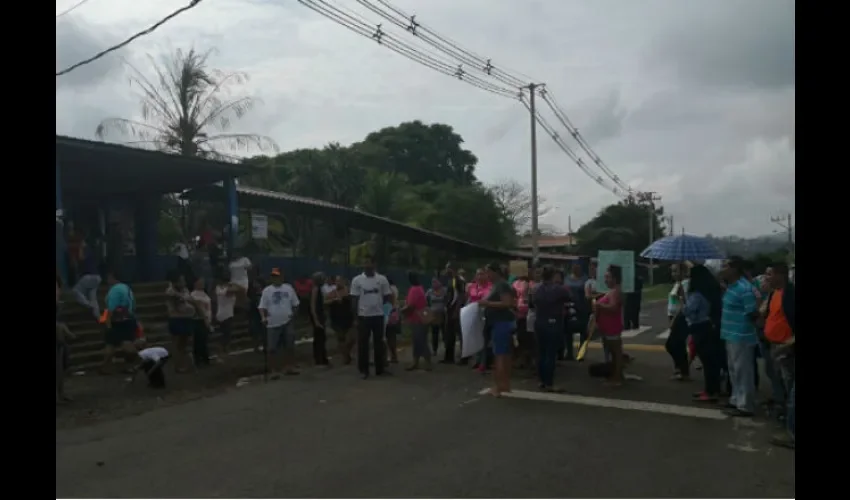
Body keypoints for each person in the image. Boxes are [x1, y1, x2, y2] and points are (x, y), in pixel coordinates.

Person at [720, 256, 760, 417]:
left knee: (743, 372)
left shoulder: (744, 288)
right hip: (730, 334)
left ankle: (746, 405)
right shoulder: (731, 287)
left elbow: (752, 312)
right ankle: (736, 400)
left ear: (734, 269)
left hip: (742, 336)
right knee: (734, 371)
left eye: (725, 266)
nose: (722, 269)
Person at [684, 265, 725, 403]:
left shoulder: (697, 294)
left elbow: (689, 311)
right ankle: (712, 389)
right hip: (710, 326)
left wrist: (684, 301)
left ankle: (711, 391)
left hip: (699, 327)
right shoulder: (712, 291)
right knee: (712, 361)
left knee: (707, 362)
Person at [350, 256, 393, 379]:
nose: (366, 265)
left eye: (368, 263)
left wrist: (386, 313)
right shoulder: (357, 280)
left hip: (378, 315)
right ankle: (364, 370)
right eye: (365, 263)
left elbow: (387, 297)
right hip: (363, 316)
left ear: (374, 264)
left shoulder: (382, 279)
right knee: (363, 344)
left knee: (379, 343)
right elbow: (354, 299)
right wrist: (355, 318)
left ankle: (380, 369)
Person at [763, 262, 795, 421]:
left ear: (780, 275)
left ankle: (789, 416)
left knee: (789, 381)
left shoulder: (790, 295)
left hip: (786, 348)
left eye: (770, 274)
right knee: (775, 377)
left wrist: (787, 345)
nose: (767, 278)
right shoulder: (774, 293)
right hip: (773, 344)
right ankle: (781, 407)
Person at [478, 263, 517, 396]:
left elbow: (507, 303)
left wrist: (487, 303)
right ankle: (504, 384)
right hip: (499, 323)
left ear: (496, 272)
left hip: (501, 323)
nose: (487, 275)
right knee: (504, 354)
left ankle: (498, 386)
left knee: (499, 355)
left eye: (488, 272)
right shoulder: (497, 285)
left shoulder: (501, 285)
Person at [533, 266, 572, 392]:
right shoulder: (560, 289)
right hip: (554, 322)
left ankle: (541, 381)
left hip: (539, 321)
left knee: (541, 353)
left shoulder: (535, 288)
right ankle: (549, 382)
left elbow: (530, 303)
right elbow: (570, 298)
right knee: (550, 354)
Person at [259, 268, 300, 378]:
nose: (275, 278)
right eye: (273, 276)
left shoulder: (288, 288)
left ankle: (289, 367)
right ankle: (273, 370)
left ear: (282, 277)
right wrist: (263, 317)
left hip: (287, 321)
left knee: (289, 345)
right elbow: (262, 306)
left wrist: (293, 315)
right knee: (272, 348)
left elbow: (296, 303)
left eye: (277, 276)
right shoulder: (267, 291)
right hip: (272, 322)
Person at [101, 271, 139, 374]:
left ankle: (105, 367)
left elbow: (110, 309)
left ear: (114, 278)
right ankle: (128, 366)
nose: (107, 280)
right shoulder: (126, 288)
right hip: (128, 319)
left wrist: (107, 323)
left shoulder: (115, 290)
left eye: (109, 278)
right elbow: (133, 305)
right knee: (120, 344)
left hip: (117, 322)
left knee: (111, 345)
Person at [594, 265, 625, 386]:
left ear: (615, 278)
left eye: (608, 277)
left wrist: (599, 305)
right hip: (609, 327)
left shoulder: (615, 292)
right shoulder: (614, 291)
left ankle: (616, 378)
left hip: (612, 327)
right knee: (614, 352)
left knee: (616, 353)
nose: (605, 280)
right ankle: (616, 375)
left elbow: (614, 308)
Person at [665, 263, 691, 381]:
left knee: (671, 344)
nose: (673, 274)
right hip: (673, 316)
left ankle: (683, 369)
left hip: (680, 317)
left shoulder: (685, 284)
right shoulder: (677, 284)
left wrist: (674, 320)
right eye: (672, 271)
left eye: (676, 271)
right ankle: (680, 369)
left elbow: (683, 304)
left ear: (684, 272)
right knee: (679, 344)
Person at [403, 272, 431, 371]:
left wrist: (403, 312)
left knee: (420, 341)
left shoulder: (414, 290)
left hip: (417, 319)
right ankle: (416, 361)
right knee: (418, 341)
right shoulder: (420, 288)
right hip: (421, 317)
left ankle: (427, 362)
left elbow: (411, 306)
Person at [467, 269, 493, 372]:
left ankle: (484, 363)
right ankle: (478, 361)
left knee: (484, 340)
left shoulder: (490, 287)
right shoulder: (472, 287)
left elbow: (488, 300)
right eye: (478, 274)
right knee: (476, 339)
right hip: (474, 315)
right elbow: (469, 299)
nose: (479, 277)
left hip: (485, 315)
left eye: (482, 274)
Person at [327, 276, 356, 364]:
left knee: (353, 338)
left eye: (340, 281)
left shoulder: (349, 291)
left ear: (344, 282)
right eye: (337, 281)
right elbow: (325, 301)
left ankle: (347, 352)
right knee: (341, 338)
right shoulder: (332, 293)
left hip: (349, 318)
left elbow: (354, 303)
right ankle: (346, 357)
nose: (338, 283)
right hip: (337, 319)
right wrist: (334, 300)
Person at [71, 237, 102, 321]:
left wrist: (80, 248)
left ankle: (89, 305)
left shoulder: (86, 249)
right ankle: (98, 317)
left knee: (75, 291)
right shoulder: (91, 250)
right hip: (96, 277)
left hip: (90, 276)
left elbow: (81, 258)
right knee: (93, 297)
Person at [563, 264, 588, 360]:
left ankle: (581, 354)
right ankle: (569, 353)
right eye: (574, 266)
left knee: (583, 332)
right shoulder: (567, 279)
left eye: (578, 267)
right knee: (568, 331)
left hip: (583, 307)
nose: (576, 268)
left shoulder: (585, 279)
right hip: (570, 307)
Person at [443, 263, 466, 364]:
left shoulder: (458, 280)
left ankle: (464, 357)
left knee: (460, 334)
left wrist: (457, 310)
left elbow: (460, 296)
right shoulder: (450, 280)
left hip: (456, 311)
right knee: (449, 334)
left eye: (448, 269)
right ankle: (449, 357)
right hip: (450, 310)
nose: (446, 271)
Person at [214, 272, 238, 358]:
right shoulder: (219, 289)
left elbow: (237, 289)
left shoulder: (228, 287)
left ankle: (226, 351)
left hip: (229, 313)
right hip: (223, 315)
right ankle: (220, 353)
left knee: (228, 335)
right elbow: (230, 291)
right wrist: (230, 285)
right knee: (224, 335)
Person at [190, 277, 212, 367]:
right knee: (199, 341)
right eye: (200, 282)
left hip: (206, 318)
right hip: (198, 320)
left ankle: (204, 358)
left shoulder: (204, 294)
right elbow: (198, 308)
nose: (202, 284)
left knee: (204, 340)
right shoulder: (193, 295)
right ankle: (199, 359)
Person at [310, 272, 330, 367]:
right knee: (319, 337)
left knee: (322, 337)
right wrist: (316, 319)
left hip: (321, 315)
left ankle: (322, 357)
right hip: (317, 315)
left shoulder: (320, 289)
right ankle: (319, 358)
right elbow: (313, 306)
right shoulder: (315, 290)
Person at [426, 278, 447, 357]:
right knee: (435, 332)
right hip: (433, 314)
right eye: (433, 282)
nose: (434, 284)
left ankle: (446, 348)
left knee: (444, 331)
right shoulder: (430, 291)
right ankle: (434, 349)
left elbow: (447, 300)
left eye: (435, 282)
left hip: (442, 313)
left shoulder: (444, 291)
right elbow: (426, 300)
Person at [385, 278, 401, 364]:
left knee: (388, 336)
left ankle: (392, 356)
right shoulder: (394, 288)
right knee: (392, 336)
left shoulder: (389, 289)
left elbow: (391, 300)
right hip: (394, 314)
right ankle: (394, 356)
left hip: (389, 314)